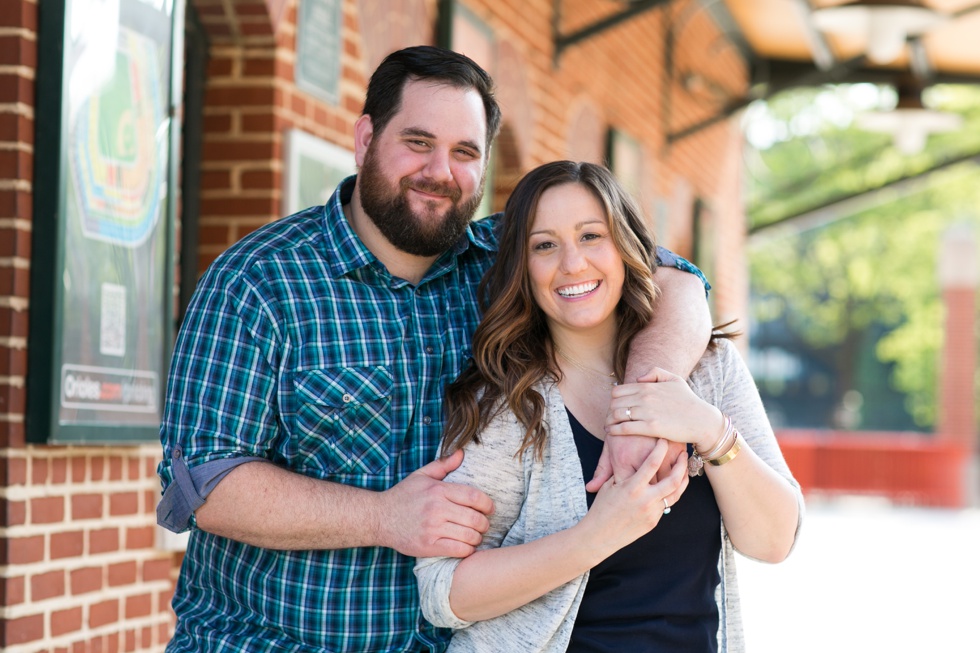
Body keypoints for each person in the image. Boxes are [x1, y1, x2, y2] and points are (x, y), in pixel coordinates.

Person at [156, 47, 711, 652]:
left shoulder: (509, 262)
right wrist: (384, 516)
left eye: (465, 152)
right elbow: (204, 485)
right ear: (366, 137)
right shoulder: (260, 281)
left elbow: (676, 281)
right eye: (418, 142)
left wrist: (642, 407)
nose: (441, 171)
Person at [415, 160, 804, 652]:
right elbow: (443, 592)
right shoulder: (505, 402)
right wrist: (595, 536)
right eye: (545, 245)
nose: (573, 263)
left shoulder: (710, 368)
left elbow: (773, 541)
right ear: (522, 268)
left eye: (592, 236)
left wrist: (708, 430)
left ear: (628, 247)